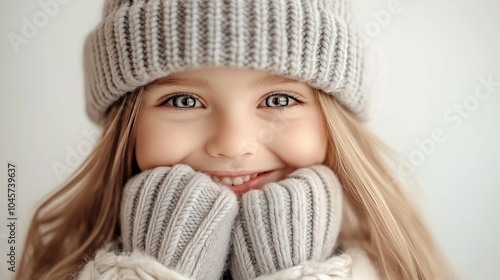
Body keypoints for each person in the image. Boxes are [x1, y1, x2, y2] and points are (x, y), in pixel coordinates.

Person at [16, 0, 456, 279]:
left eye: (279, 98)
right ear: (126, 126)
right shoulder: (54, 270)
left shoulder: (399, 271)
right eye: (184, 101)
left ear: (332, 120)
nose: (233, 143)